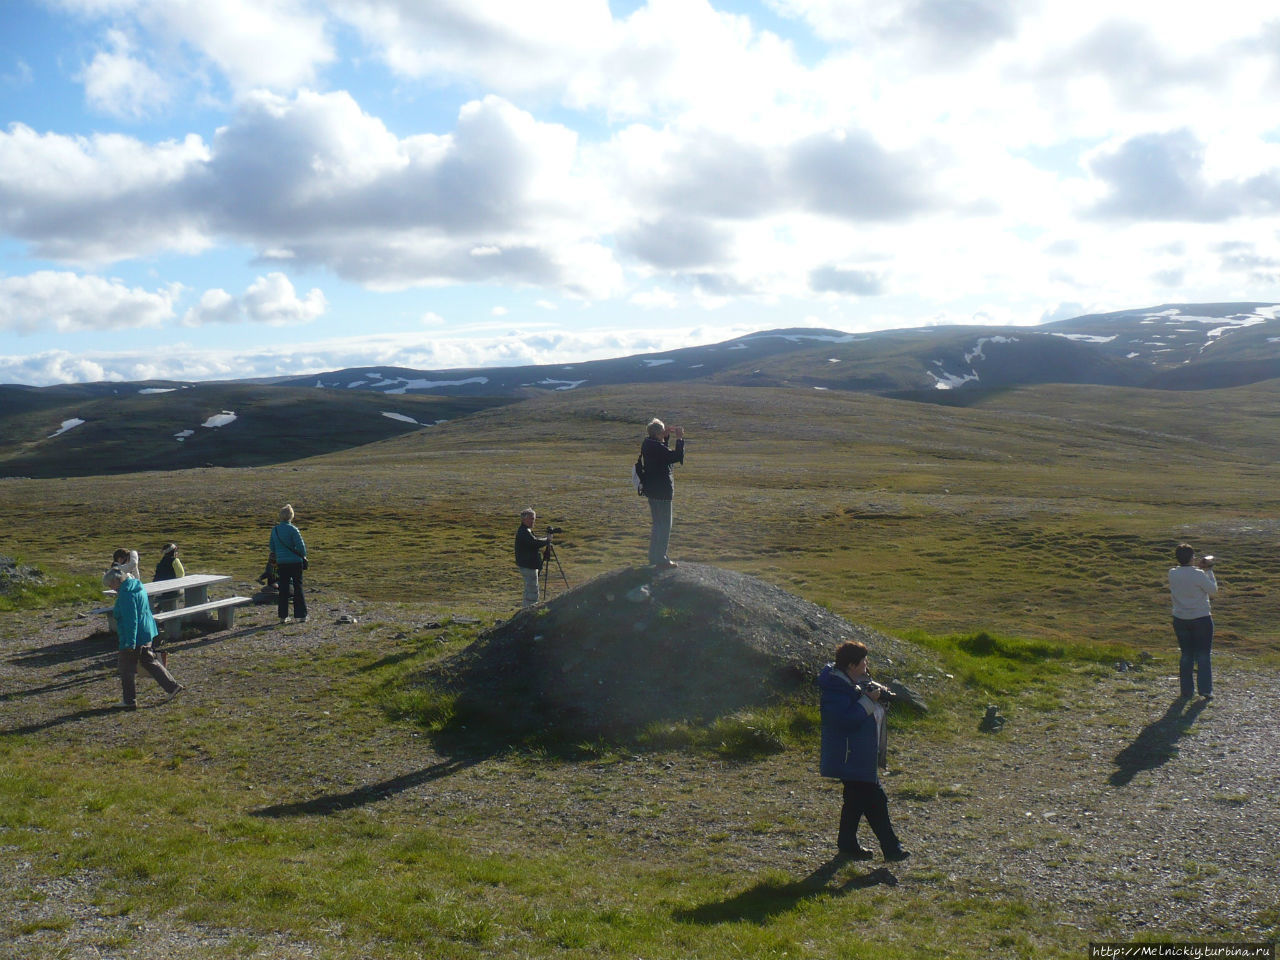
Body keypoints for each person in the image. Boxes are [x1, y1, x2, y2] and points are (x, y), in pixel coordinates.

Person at [817, 640, 909, 862]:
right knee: (876, 800)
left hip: (857, 756)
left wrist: (878, 698)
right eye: (864, 662)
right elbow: (844, 721)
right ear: (851, 665)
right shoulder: (835, 689)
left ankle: (847, 844)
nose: (867, 667)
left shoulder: (849, 683)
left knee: (856, 801)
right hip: (851, 757)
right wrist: (869, 701)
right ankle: (892, 849)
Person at [103, 566, 183, 709]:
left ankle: (129, 701)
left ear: (117, 581)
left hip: (135, 635)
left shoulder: (126, 594)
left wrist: (130, 642)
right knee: (148, 660)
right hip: (147, 631)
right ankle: (172, 686)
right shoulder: (136, 586)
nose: (110, 587)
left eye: (110, 584)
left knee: (126, 668)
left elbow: (130, 620)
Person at [1169, 543, 1217, 700]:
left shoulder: (1172, 573)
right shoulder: (1198, 574)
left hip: (1180, 618)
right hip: (1201, 617)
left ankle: (1186, 690)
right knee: (1203, 654)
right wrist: (1208, 570)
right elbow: (1213, 590)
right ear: (1191, 557)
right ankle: (1205, 690)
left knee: (1186, 654)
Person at [640, 418, 685, 569]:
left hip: (652, 491)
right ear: (658, 433)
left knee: (657, 525)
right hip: (662, 493)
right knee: (665, 525)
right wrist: (679, 438)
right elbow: (675, 456)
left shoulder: (648, 444)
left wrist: (665, 437)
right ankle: (661, 558)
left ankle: (654, 556)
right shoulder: (657, 447)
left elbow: (663, 455)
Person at [270, 504, 308, 624]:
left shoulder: (275, 530)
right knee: (298, 587)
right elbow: (301, 547)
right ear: (291, 516)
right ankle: (301, 615)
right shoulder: (293, 529)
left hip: (282, 563)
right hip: (295, 562)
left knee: (283, 589)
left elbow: (272, 547)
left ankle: (283, 616)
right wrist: (303, 555)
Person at [515, 508, 551, 607]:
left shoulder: (525, 531)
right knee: (532, 590)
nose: (533, 521)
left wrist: (545, 540)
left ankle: (527, 609)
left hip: (527, 564)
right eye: (531, 518)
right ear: (524, 519)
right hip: (528, 565)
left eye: (534, 519)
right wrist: (547, 540)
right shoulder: (524, 532)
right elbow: (534, 543)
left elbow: (534, 541)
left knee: (530, 588)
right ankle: (530, 610)